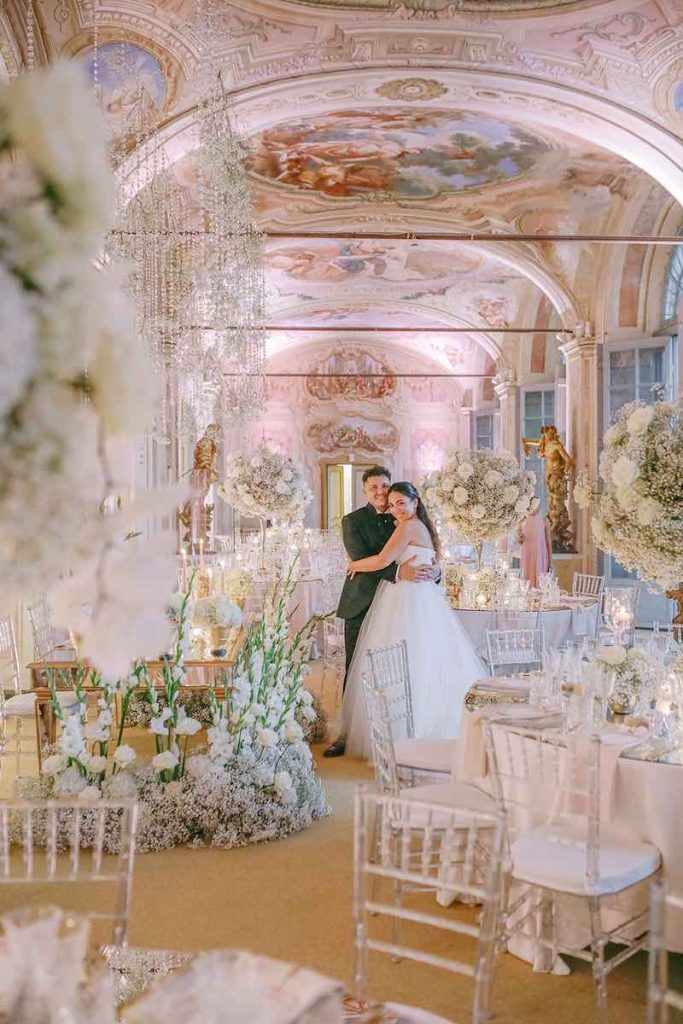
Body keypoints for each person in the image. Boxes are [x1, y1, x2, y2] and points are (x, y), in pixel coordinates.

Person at [341, 480, 487, 761]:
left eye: (401, 503)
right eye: (393, 504)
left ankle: (410, 732)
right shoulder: (418, 526)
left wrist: (353, 565)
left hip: (409, 599)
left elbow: (383, 560)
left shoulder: (409, 526)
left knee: (406, 660)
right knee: (424, 660)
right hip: (419, 597)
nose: (395, 509)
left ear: (415, 502)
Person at [323, 466, 439, 758]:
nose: (380, 492)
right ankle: (347, 732)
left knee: (407, 665)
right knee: (356, 668)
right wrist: (400, 571)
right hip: (363, 602)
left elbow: (423, 556)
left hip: (400, 605)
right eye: (373, 487)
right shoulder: (352, 521)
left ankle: (401, 727)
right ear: (364, 491)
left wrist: (435, 570)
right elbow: (365, 558)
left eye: (384, 486)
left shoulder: (402, 516)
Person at [519, 497, 552, 588]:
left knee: (541, 582)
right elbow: (520, 541)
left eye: (538, 504)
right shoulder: (522, 520)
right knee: (526, 582)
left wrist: (550, 560)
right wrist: (520, 538)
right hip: (527, 556)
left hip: (540, 556)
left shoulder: (544, 520)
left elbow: (548, 541)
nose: (537, 507)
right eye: (535, 504)